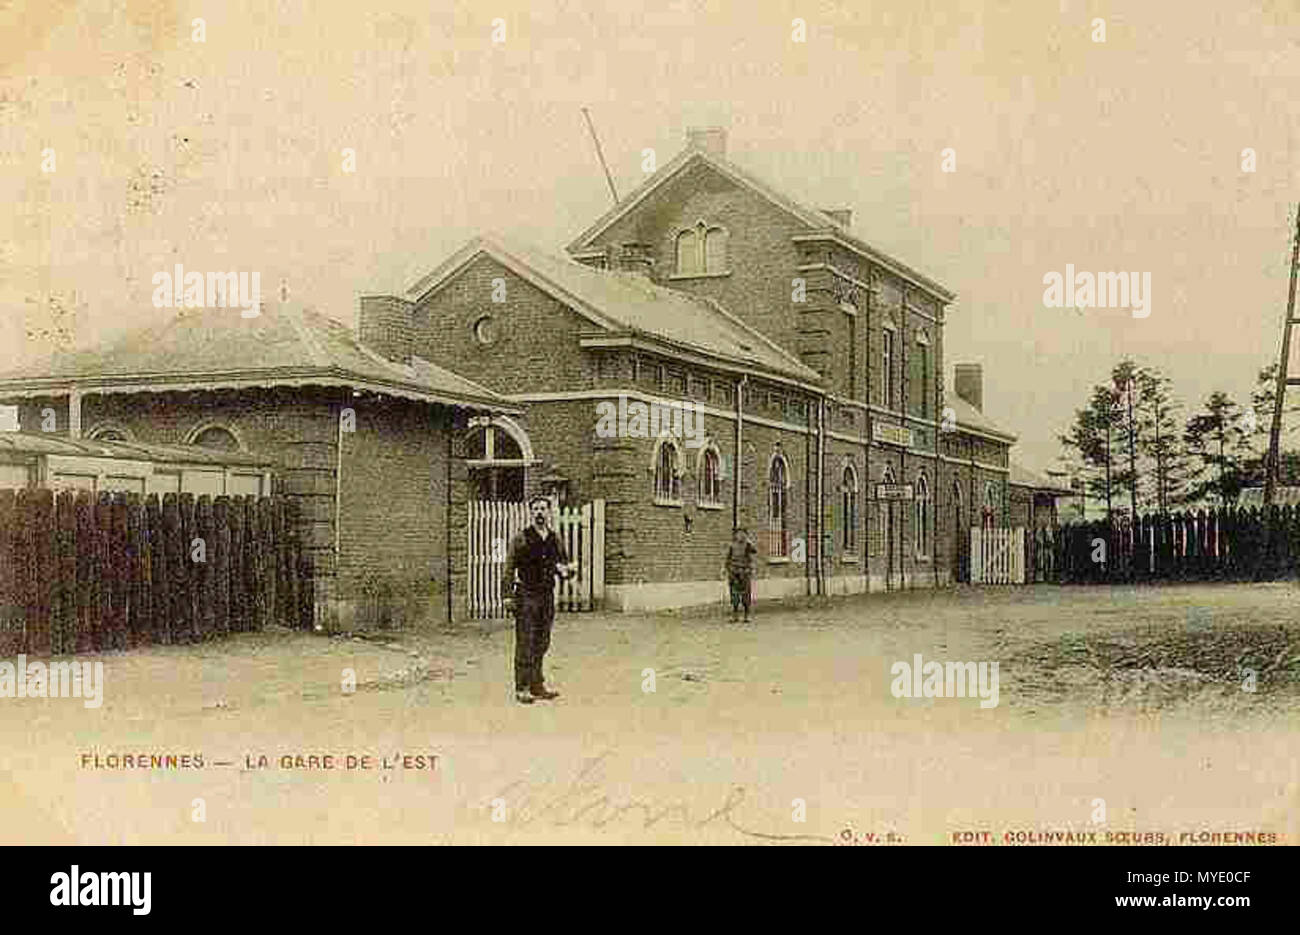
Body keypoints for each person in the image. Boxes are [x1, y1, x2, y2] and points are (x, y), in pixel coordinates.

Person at [502, 496, 574, 704]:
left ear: (549, 512)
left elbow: (563, 565)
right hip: (526, 595)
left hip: (546, 596)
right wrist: (507, 595)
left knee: (542, 641)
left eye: (543, 509)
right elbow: (508, 569)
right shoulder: (521, 538)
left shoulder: (555, 539)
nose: (540, 513)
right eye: (536, 509)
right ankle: (522, 687)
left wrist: (567, 572)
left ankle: (537, 685)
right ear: (531, 513)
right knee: (525, 641)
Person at [723, 527, 757, 622]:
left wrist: (749, 542)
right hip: (734, 571)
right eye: (739, 534)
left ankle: (747, 615)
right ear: (736, 535)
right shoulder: (732, 546)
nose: (741, 536)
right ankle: (735, 614)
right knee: (734, 594)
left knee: (746, 594)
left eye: (743, 534)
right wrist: (726, 569)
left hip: (744, 571)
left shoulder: (748, 545)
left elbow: (754, 551)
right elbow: (728, 558)